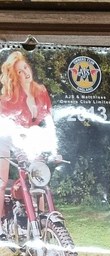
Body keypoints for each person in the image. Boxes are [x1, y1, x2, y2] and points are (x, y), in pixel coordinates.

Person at [0, 51, 57, 230]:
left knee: (37, 176)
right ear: (14, 77)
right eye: (19, 71)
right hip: (6, 137)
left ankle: (41, 220)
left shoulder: (41, 91)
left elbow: (49, 122)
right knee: (1, 181)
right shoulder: (7, 99)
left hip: (29, 137)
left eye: (25, 67)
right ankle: (0, 223)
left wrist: (55, 150)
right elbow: (5, 127)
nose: (25, 73)